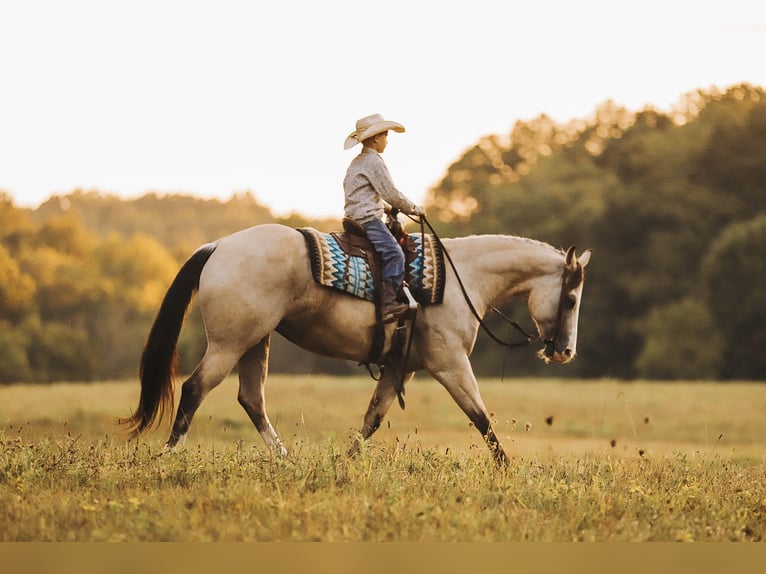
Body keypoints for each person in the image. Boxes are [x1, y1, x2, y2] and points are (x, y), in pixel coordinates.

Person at [343, 113, 425, 323]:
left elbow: (366, 194)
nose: (387, 141)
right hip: (368, 219)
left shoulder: (358, 161)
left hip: (356, 214)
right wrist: (414, 209)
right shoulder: (373, 161)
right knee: (395, 254)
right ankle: (388, 305)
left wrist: (386, 208)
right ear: (376, 138)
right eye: (385, 136)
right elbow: (391, 193)